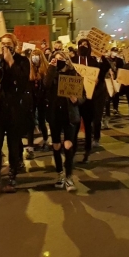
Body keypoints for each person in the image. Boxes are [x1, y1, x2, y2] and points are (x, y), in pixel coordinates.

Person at [0, 34, 30, 192]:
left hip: (14, 109)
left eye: (8, 44)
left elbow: (23, 82)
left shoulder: (22, 61)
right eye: (3, 44)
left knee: (13, 145)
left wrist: (11, 62)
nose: (5, 47)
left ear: (15, 45)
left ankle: (12, 175)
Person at [45, 51, 84, 191]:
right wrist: (51, 68)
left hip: (69, 114)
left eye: (61, 59)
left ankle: (69, 177)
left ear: (67, 60)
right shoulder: (52, 74)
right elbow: (46, 85)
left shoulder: (74, 74)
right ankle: (59, 174)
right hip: (54, 114)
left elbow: (83, 95)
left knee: (68, 145)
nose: (58, 61)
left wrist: (76, 99)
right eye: (56, 59)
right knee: (56, 145)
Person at [73, 38, 111, 158]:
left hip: (90, 97)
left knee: (88, 123)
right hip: (76, 97)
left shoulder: (94, 60)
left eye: (85, 45)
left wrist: (102, 56)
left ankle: (88, 148)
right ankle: (73, 148)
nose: (83, 47)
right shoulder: (74, 60)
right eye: (81, 45)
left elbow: (105, 67)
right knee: (74, 123)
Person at [27, 49, 50, 156]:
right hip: (31, 100)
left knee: (41, 121)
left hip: (42, 99)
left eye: (37, 56)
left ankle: (45, 140)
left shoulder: (45, 69)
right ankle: (30, 145)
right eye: (33, 56)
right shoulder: (29, 69)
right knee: (30, 122)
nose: (34, 58)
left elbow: (47, 85)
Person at [105, 47, 124, 119]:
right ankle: (107, 111)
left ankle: (115, 108)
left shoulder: (119, 60)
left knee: (116, 93)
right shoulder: (107, 60)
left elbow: (121, 69)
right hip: (108, 78)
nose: (114, 53)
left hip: (116, 78)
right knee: (109, 94)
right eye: (113, 51)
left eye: (116, 51)